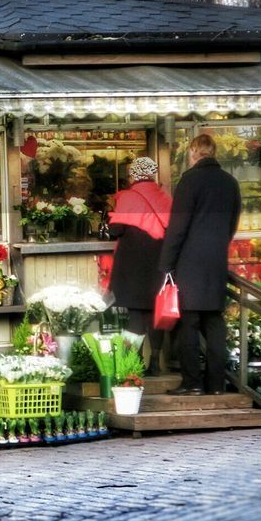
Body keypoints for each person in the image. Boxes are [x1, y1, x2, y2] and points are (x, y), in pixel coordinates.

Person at [158, 134, 241, 396]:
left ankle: (192, 382)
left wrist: (166, 264)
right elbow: (232, 222)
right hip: (216, 262)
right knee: (215, 323)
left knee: (189, 325)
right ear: (214, 153)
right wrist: (218, 247)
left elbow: (178, 227)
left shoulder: (189, 181)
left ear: (194, 153)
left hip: (190, 263)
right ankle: (216, 385)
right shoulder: (230, 183)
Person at [106, 157, 172, 375]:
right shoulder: (165, 198)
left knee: (135, 313)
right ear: (153, 175)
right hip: (159, 264)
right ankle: (155, 361)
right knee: (155, 312)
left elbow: (115, 231)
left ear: (133, 175)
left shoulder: (128, 197)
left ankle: (133, 363)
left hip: (131, 266)